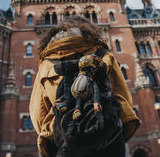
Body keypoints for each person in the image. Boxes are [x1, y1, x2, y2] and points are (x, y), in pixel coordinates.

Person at [29, 16, 140, 157]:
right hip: (105, 137)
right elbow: (123, 99)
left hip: (67, 142)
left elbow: (38, 113)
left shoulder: (46, 65)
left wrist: (52, 133)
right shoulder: (105, 56)